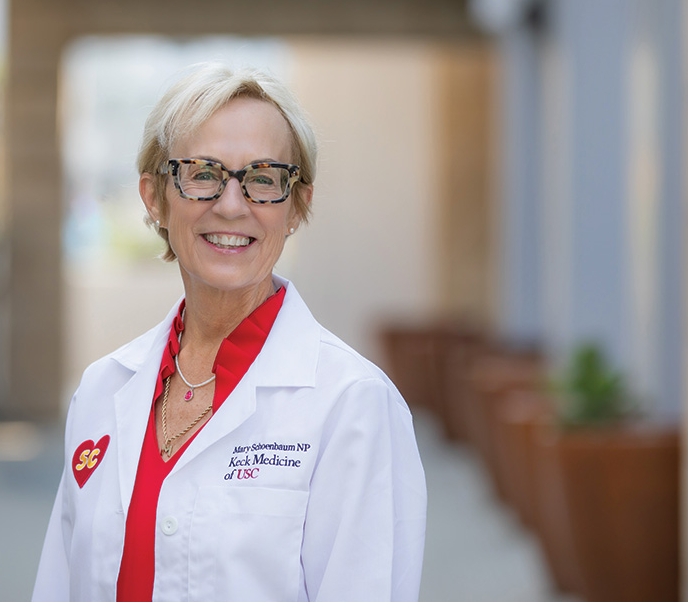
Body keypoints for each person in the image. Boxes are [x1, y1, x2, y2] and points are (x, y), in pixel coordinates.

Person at [31, 63, 426, 602]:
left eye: (263, 178)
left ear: (297, 205)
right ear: (154, 197)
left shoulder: (353, 405)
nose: (232, 204)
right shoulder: (102, 391)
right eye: (202, 173)